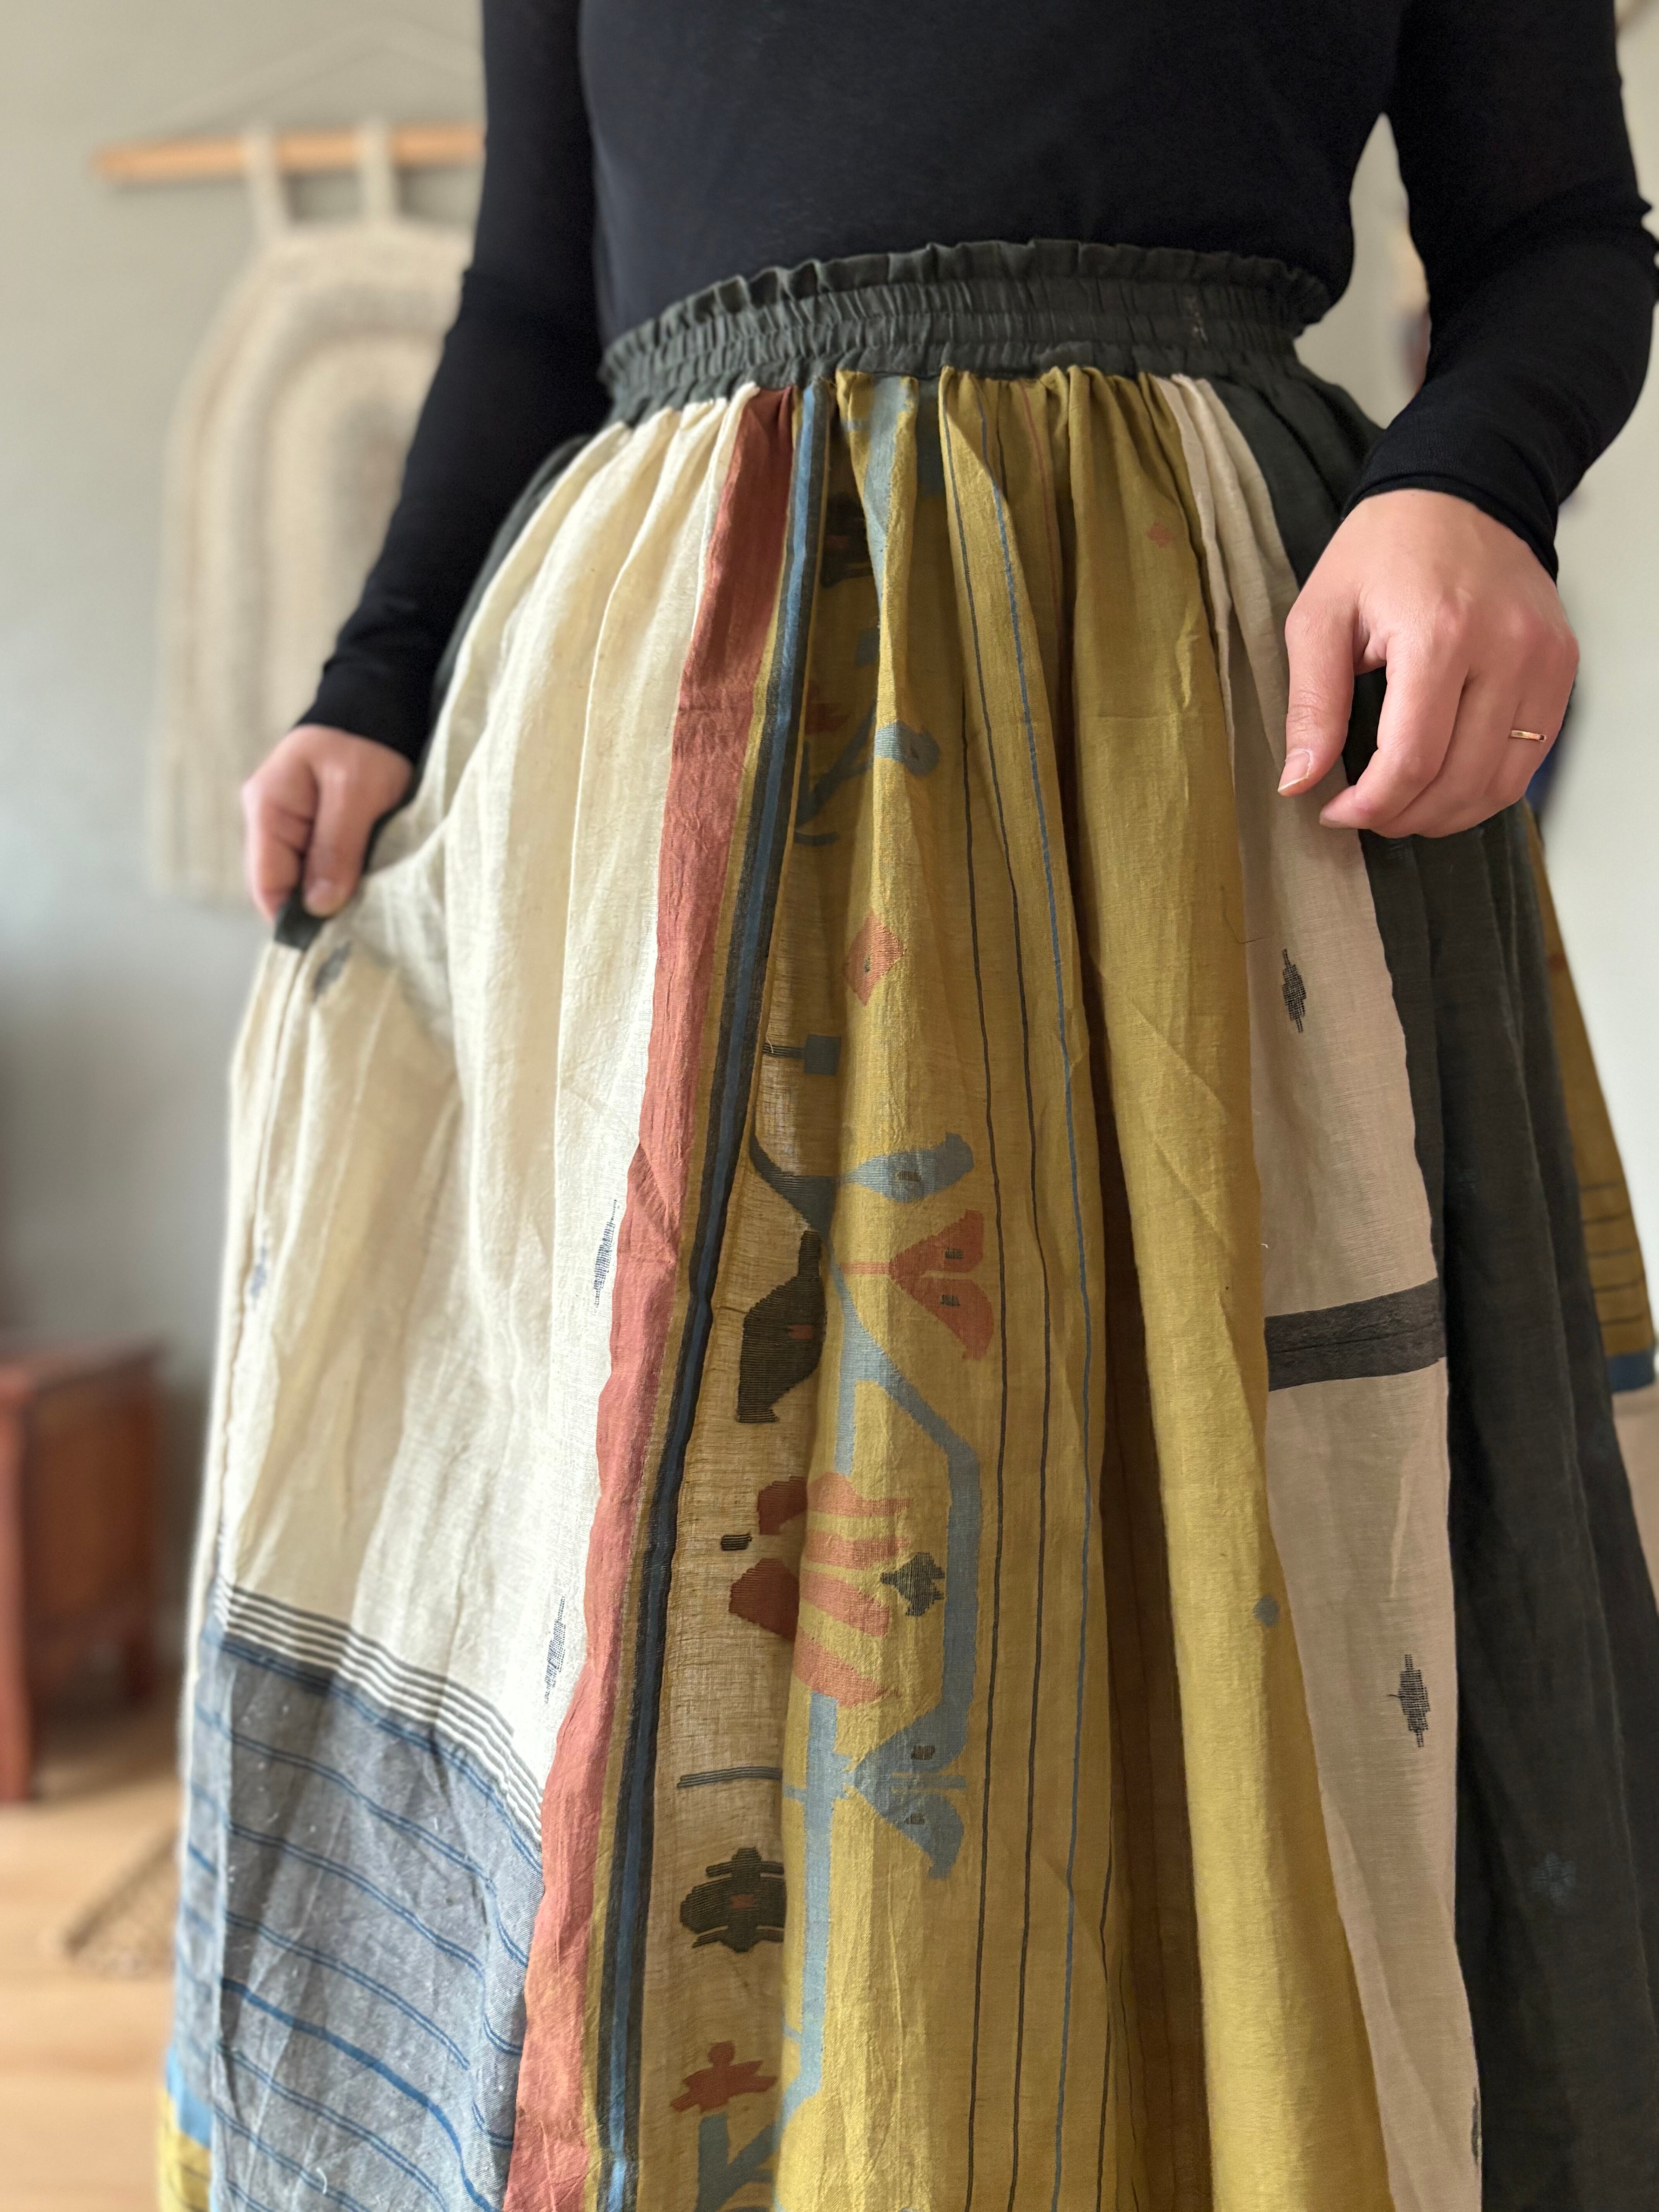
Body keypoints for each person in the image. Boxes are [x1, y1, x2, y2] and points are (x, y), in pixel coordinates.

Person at [163, 6, 1659, 2212]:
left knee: (1216, 1554)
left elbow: (1559, 238)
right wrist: (374, 684)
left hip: (1176, 709)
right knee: (642, 1548)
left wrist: (1471, 476)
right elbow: (535, 298)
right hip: (670, 720)